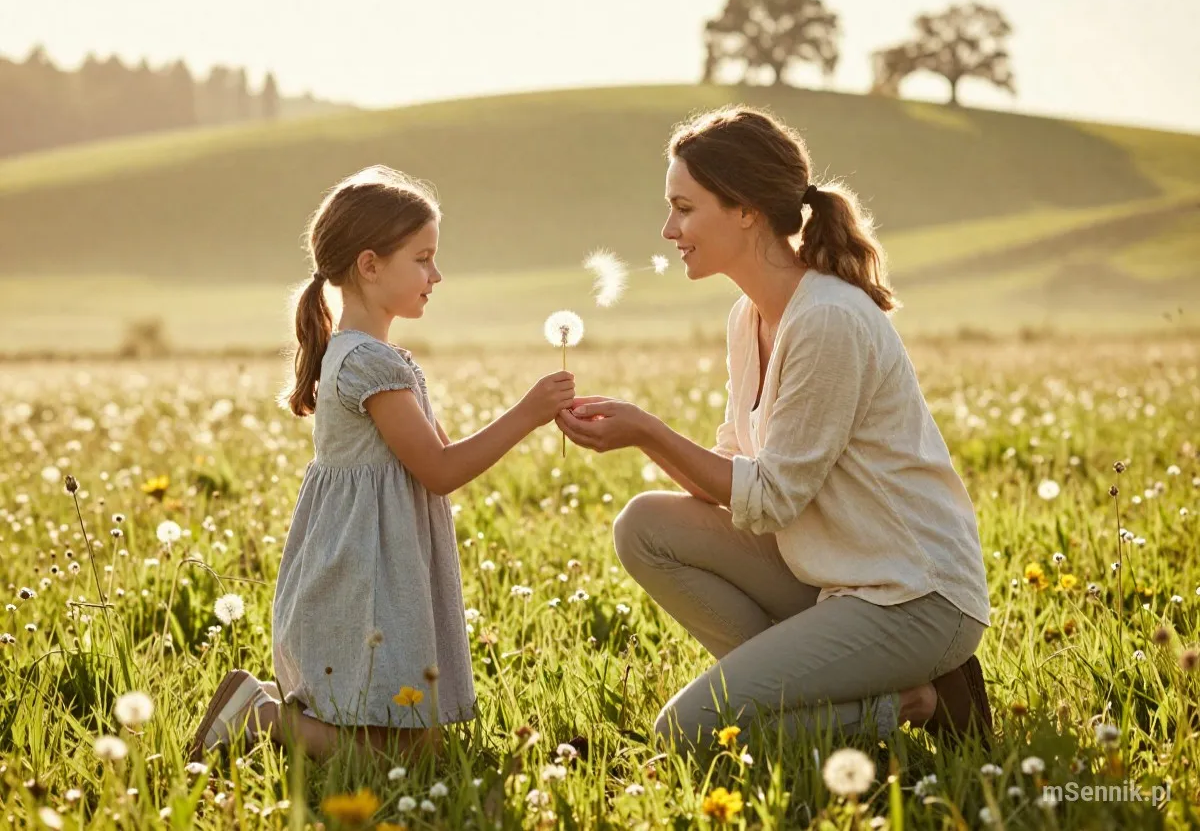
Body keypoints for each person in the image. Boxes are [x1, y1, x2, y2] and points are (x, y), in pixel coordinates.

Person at [557, 107, 992, 753]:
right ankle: (818, 684)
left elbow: (771, 498)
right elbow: (735, 473)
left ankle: (916, 701)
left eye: (684, 208)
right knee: (643, 527)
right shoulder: (749, 316)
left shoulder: (827, 320)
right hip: (833, 575)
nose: (668, 229)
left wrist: (648, 432)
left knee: (688, 731)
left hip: (912, 596)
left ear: (746, 210)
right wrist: (640, 433)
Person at [188, 165, 575, 762]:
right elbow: (440, 472)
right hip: (365, 580)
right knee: (407, 762)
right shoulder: (371, 365)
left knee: (423, 747)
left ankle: (266, 710)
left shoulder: (373, 357)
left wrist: (534, 413)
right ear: (370, 265)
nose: (436, 275)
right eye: (422, 259)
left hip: (370, 568)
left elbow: (443, 457)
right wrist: (527, 412)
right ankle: (262, 715)